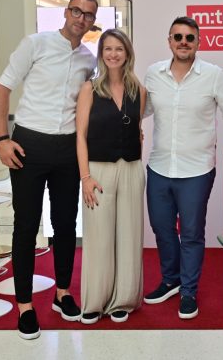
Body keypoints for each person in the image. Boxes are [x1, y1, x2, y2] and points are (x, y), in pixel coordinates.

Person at [0, 0, 98, 339]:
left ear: (93, 21)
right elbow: (2, 88)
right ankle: (25, 306)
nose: (81, 18)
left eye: (88, 15)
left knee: (65, 224)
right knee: (26, 225)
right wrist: (1, 138)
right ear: (66, 12)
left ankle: (62, 293)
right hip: (29, 144)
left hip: (67, 148)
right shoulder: (35, 44)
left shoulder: (88, 60)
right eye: (76, 11)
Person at [142, 16, 223, 319]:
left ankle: (188, 291)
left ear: (198, 42)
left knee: (190, 233)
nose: (183, 42)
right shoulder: (153, 74)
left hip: (197, 170)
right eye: (178, 37)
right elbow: (142, 109)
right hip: (159, 167)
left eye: (190, 37)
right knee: (162, 228)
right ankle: (170, 280)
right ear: (169, 41)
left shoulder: (213, 75)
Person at [75, 29, 146, 325]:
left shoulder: (138, 90)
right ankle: (95, 301)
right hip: (98, 171)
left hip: (131, 168)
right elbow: (80, 135)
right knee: (99, 238)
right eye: (108, 49)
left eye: (119, 49)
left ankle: (123, 300)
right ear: (101, 53)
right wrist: (85, 177)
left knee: (129, 236)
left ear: (127, 53)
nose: (113, 54)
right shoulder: (89, 88)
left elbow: (137, 130)